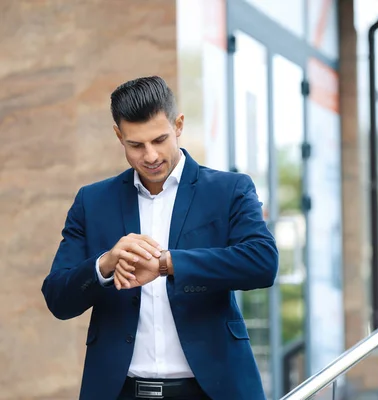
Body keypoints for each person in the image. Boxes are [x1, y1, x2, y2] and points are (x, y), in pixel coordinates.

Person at [41, 76, 278, 400]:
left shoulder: (228, 190)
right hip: (120, 391)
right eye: (135, 145)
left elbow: (263, 262)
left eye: (159, 139)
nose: (150, 156)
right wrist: (104, 265)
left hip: (212, 391)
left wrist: (169, 263)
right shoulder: (93, 201)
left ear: (178, 125)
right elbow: (57, 297)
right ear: (118, 135)